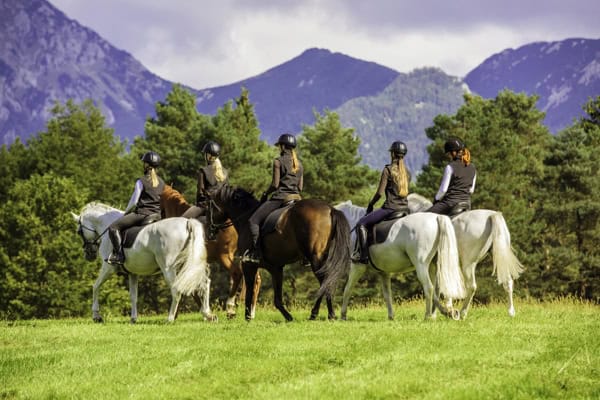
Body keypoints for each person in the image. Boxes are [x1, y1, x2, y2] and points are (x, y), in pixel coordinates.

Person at [244, 133, 303, 263]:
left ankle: (256, 252)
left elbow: (275, 185)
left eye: (279, 146)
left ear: (282, 146)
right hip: (297, 197)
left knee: (253, 221)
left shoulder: (278, 161)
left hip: (281, 197)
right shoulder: (299, 165)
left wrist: (265, 193)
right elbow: (300, 187)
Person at [352, 141, 411, 263]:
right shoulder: (407, 172)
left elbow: (379, 193)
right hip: (405, 209)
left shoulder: (388, 170)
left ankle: (363, 256)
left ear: (393, 154)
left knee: (361, 224)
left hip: (390, 208)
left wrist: (371, 204)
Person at [107, 151, 165, 265]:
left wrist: (126, 213)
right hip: (157, 215)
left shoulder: (141, 181)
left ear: (147, 165)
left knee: (113, 228)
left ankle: (119, 256)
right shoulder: (162, 182)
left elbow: (134, 202)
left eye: (144, 163)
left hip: (142, 214)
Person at [426, 138, 477, 215]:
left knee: (425, 215)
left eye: (449, 153)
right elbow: (471, 190)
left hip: (450, 203)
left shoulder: (450, 167)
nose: (448, 156)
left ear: (453, 152)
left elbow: (443, 190)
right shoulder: (473, 167)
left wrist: (436, 199)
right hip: (466, 203)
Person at [181, 141, 229, 221]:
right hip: (222, 206)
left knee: (182, 221)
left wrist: (198, 204)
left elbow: (200, 194)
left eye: (205, 154)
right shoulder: (225, 172)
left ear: (208, 156)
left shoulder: (203, 171)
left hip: (206, 205)